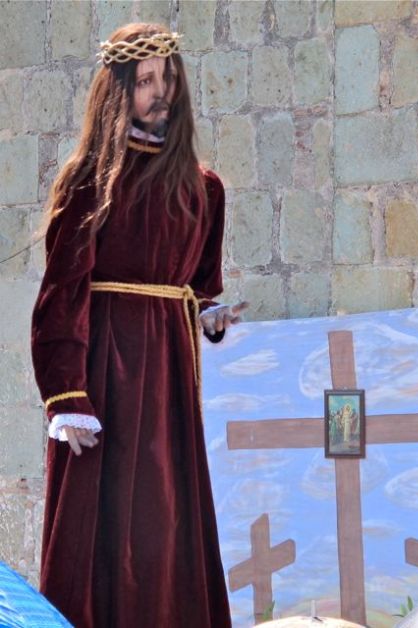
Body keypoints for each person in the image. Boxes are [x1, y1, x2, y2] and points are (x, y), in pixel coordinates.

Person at [31, 22, 248, 628]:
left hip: (169, 380)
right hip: (106, 370)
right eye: (145, 81)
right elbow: (61, 293)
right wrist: (67, 396)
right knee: (101, 525)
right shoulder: (90, 180)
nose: (160, 93)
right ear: (119, 92)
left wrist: (209, 316)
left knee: (165, 516)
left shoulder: (204, 189)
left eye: (167, 78)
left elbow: (199, 286)